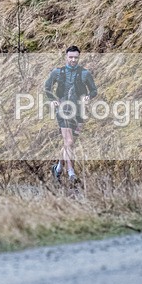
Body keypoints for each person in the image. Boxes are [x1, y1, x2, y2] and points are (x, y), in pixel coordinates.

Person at [44, 46, 98, 183]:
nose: (73, 60)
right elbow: (47, 88)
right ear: (66, 57)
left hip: (79, 112)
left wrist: (88, 97)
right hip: (62, 110)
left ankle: (57, 168)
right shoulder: (57, 72)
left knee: (70, 144)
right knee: (69, 141)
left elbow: (93, 90)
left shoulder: (85, 73)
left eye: (76, 57)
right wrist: (52, 100)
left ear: (78, 58)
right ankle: (71, 173)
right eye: (71, 57)